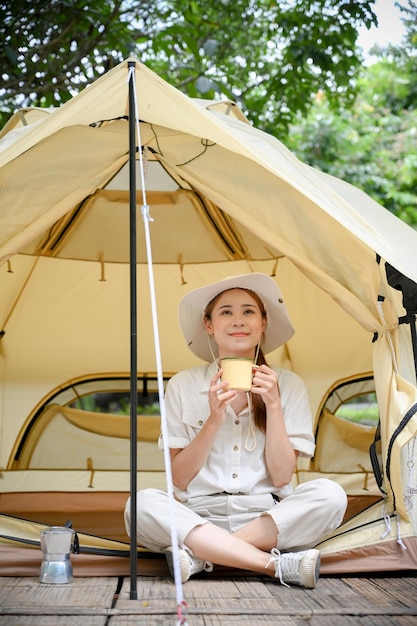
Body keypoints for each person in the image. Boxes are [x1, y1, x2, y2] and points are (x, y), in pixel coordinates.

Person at [124, 273, 347, 588]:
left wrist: (273, 405)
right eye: (226, 311)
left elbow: (283, 477)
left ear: (263, 322)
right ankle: (273, 565)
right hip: (198, 518)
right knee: (140, 503)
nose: (238, 320)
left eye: (248, 311)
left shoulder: (288, 384)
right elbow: (179, 479)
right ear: (209, 325)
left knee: (330, 495)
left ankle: (205, 557)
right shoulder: (183, 385)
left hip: (267, 519)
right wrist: (214, 418)